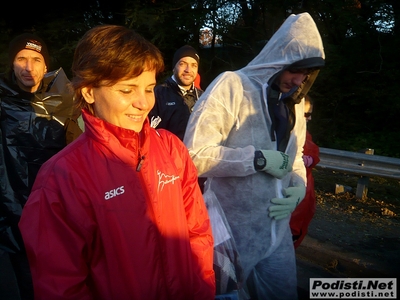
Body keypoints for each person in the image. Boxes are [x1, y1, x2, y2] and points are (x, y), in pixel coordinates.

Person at [19, 25, 215, 300]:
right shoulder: (61, 178)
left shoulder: (171, 150)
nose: (143, 102)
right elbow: (62, 285)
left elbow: (197, 236)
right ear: (89, 92)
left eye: (148, 89)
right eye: (126, 90)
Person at [183, 12, 325, 299]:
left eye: (305, 75)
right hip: (230, 232)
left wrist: (298, 189)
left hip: (276, 234)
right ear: (280, 59)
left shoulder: (293, 105)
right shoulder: (232, 86)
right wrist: (257, 159)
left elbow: (294, 157)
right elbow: (194, 155)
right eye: (294, 70)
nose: (298, 80)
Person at [0, 33, 81, 300]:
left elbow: (78, 151)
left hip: (54, 203)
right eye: (21, 59)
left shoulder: (66, 100)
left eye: (36, 59)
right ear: (11, 64)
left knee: (58, 273)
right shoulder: (2, 100)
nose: (28, 67)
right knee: (24, 276)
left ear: (46, 66)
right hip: (10, 204)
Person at [149, 45, 202, 141]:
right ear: (174, 67)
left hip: (196, 155)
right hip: (167, 154)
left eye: (194, 65)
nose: (188, 70)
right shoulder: (157, 94)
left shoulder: (203, 97)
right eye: (183, 64)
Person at [290, 95, 320, 249]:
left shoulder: (304, 135)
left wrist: (310, 160)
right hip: (294, 201)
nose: (309, 119)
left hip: (304, 195)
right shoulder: (287, 134)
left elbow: (314, 153)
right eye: (306, 114)